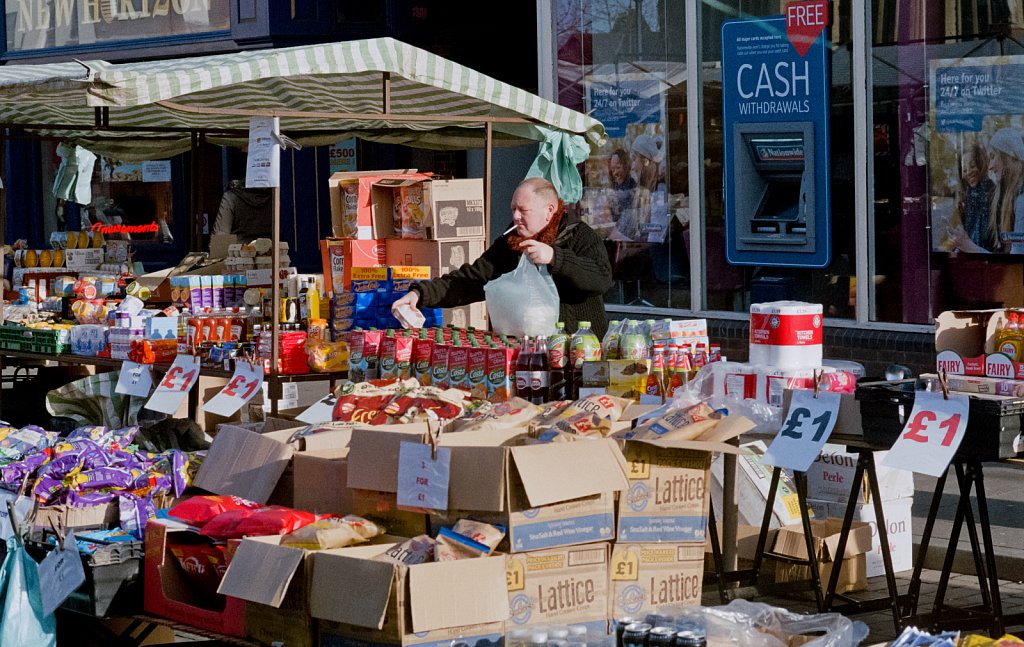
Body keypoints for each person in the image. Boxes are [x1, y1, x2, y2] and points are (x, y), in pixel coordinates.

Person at [391, 177, 614, 337]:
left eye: (523, 210)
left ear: (550, 210)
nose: (516, 217)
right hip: (527, 348)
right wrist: (420, 294)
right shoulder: (510, 244)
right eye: (513, 209)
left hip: (581, 347)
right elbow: (472, 280)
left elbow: (601, 278)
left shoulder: (578, 234)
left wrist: (556, 257)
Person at [947, 142, 996, 252]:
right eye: (964, 170)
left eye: (972, 166)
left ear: (982, 164)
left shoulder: (993, 194)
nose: (968, 172)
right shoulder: (967, 198)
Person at [615, 133, 664, 242]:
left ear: (646, 162)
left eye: (634, 159)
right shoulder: (638, 193)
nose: (632, 167)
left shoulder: (658, 195)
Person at [987, 127, 1024, 253]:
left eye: (993, 157)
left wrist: (969, 246)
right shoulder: (1004, 194)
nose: (990, 167)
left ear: (1007, 157)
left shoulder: (1021, 200)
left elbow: (1017, 258)